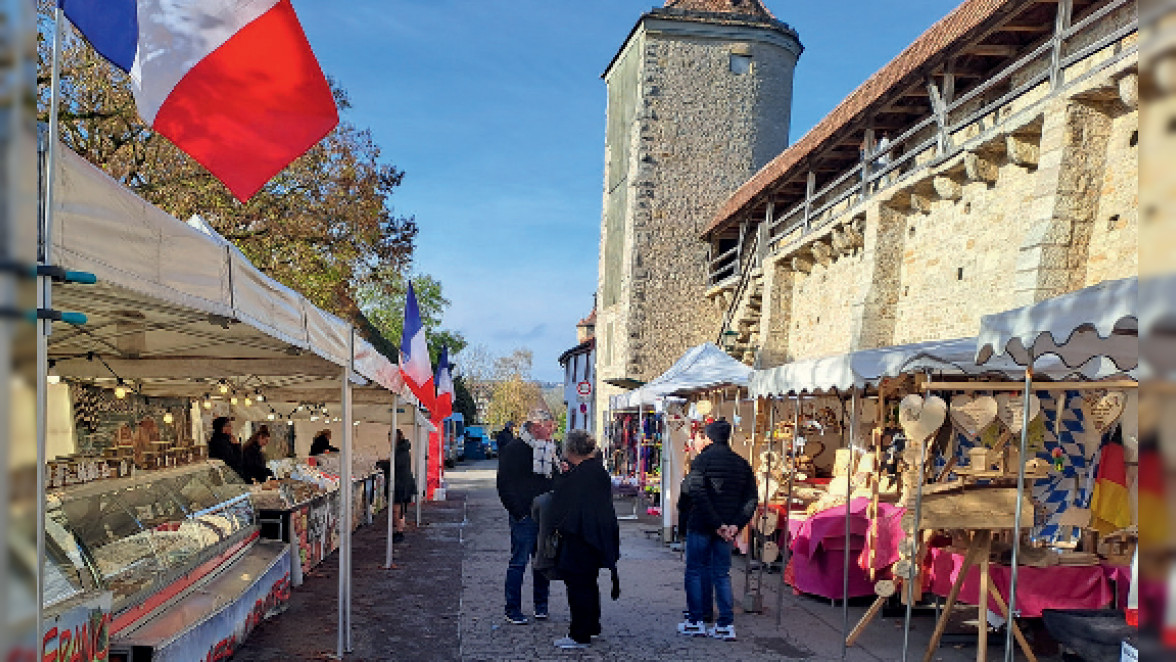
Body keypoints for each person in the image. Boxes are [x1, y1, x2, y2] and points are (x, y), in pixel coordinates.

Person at [678, 419, 757, 641]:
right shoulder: (742, 464)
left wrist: (717, 524)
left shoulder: (701, 461)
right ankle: (725, 624)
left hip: (702, 525)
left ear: (709, 438)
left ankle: (696, 621)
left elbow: (697, 493)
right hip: (727, 528)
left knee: (695, 570)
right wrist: (734, 525)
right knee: (722, 574)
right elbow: (751, 499)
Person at [548, 430, 620, 650]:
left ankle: (580, 633)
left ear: (571, 450)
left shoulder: (581, 475)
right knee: (588, 583)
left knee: (578, 584)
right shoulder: (596, 470)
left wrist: (561, 477)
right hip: (595, 535)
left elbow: (563, 502)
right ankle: (591, 625)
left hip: (581, 536)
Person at [496, 421, 554, 625]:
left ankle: (541, 606)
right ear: (535, 427)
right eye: (548, 425)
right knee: (519, 562)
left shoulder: (549, 449)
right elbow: (504, 484)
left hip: (545, 515)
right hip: (524, 516)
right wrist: (519, 512)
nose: (552, 429)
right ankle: (512, 609)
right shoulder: (513, 449)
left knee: (542, 562)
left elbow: (553, 481)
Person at [392, 429, 416, 543]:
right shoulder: (404, 449)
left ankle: (400, 531)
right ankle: (399, 530)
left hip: (401, 484)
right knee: (400, 509)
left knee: (398, 509)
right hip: (404, 483)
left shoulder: (400, 451)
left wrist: (385, 464)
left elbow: (397, 465)